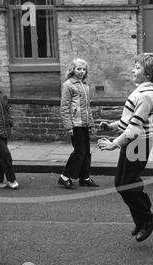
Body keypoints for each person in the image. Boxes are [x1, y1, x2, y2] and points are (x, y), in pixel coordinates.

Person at [98, 52, 153, 242]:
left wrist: (114, 144)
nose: (132, 70)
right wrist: (111, 127)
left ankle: (148, 219)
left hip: (138, 143)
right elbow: (130, 121)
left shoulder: (146, 96)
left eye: (137, 67)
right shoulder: (142, 92)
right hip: (135, 141)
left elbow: (134, 129)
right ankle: (143, 219)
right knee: (122, 184)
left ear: (148, 74)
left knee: (126, 184)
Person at [58, 58, 98, 189]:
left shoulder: (85, 85)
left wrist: (91, 124)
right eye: (78, 69)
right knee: (79, 151)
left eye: (83, 69)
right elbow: (64, 107)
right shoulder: (68, 85)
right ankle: (64, 177)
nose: (81, 71)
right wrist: (68, 126)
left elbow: (87, 107)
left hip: (84, 123)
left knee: (86, 151)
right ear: (72, 69)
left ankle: (84, 177)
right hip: (75, 124)